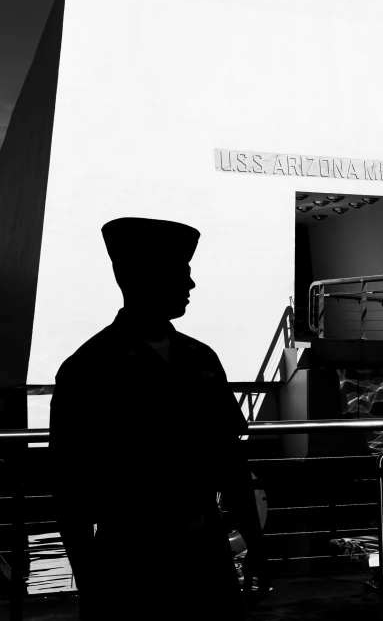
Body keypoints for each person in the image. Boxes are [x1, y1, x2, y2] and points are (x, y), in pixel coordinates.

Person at [49, 217, 269, 620]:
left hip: (207, 555)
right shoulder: (88, 368)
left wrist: (254, 542)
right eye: (179, 273)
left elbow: (231, 462)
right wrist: (90, 583)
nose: (191, 285)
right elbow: (69, 490)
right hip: (132, 563)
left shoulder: (202, 358)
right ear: (140, 277)